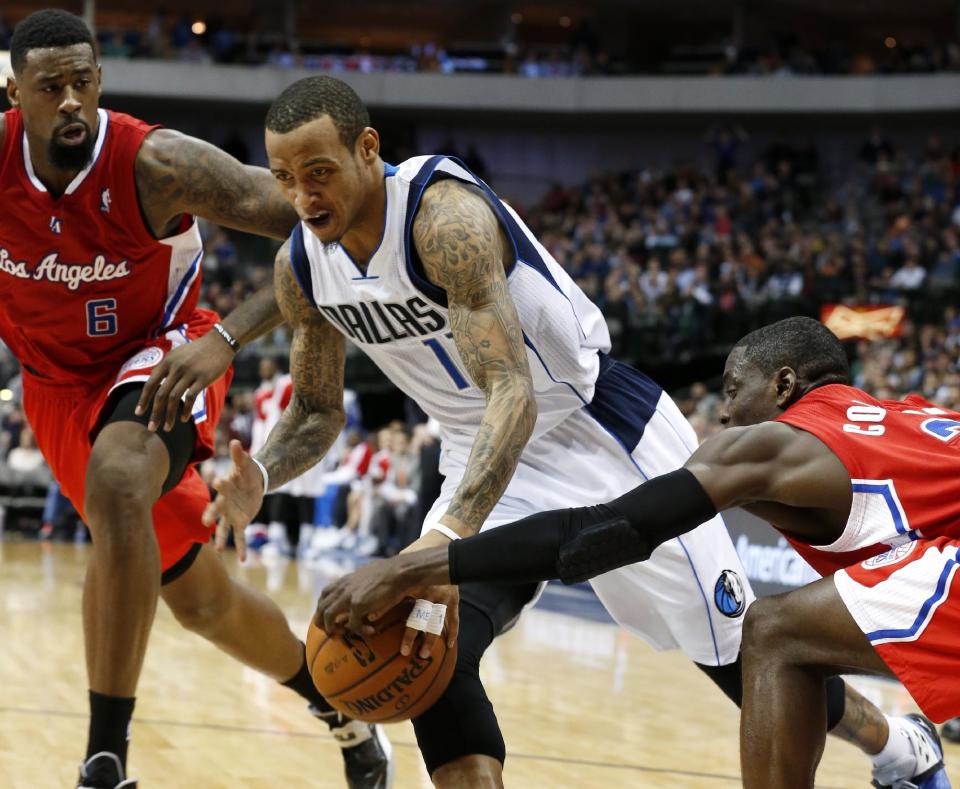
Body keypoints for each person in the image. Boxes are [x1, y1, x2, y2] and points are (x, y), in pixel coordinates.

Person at [201, 76, 873, 789]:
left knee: (739, 656)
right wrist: (263, 478)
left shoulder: (442, 218)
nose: (303, 197)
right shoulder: (301, 264)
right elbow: (315, 410)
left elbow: (512, 391)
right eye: (284, 179)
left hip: (595, 430)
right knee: (431, 646)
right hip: (478, 454)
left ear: (368, 149)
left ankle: (896, 743)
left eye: (319, 173)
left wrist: (444, 539)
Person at [0, 11, 390, 789]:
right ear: (16, 94)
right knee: (202, 601)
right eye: (52, 87)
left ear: (100, 80)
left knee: (118, 480)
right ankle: (339, 706)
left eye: (84, 81)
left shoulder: (157, 164)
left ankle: (103, 763)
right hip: (54, 390)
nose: (71, 100)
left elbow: (317, 224)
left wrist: (233, 339)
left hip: (168, 356)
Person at [316, 317, 955, 789]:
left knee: (773, 633)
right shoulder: (908, 417)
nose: (723, 414)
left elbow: (605, 534)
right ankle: (908, 753)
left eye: (734, 391)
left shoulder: (771, 445)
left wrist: (411, 565)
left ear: (784, 383)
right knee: (791, 641)